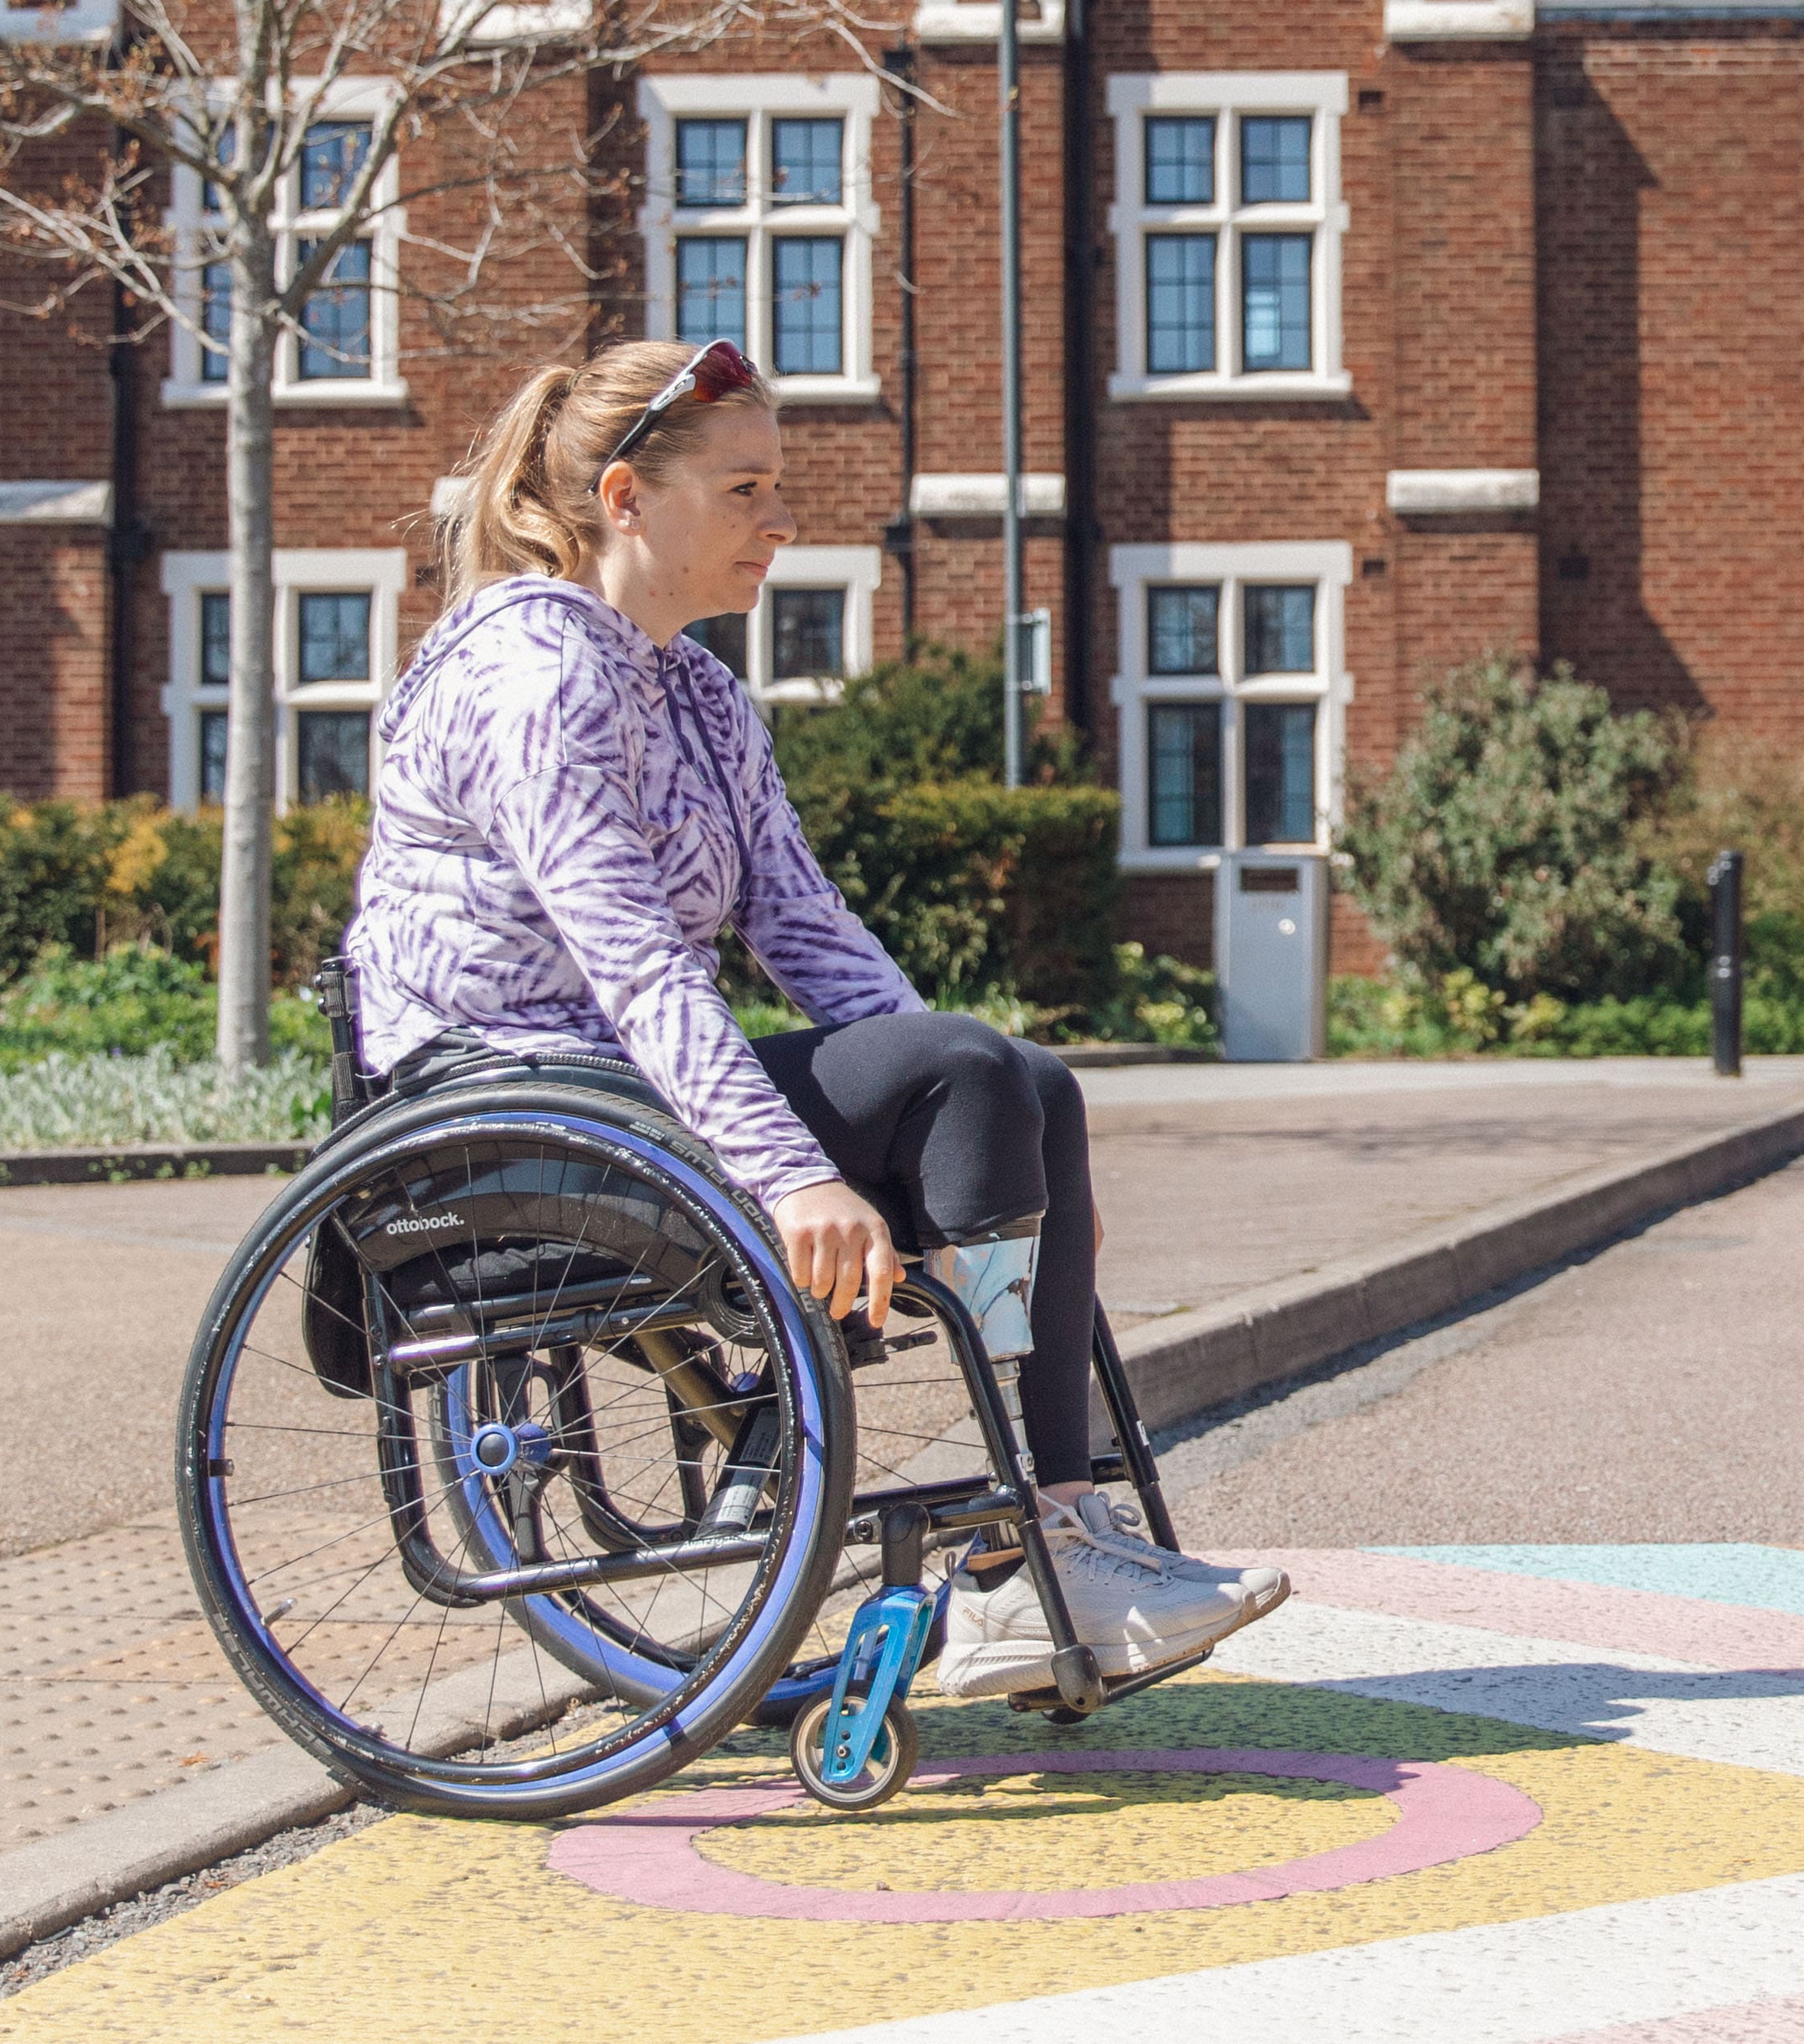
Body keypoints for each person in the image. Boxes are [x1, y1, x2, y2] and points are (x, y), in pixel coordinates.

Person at [342, 337, 1286, 1699]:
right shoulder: (530, 675)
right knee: (966, 1075)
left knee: (1023, 1078)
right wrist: (798, 1170)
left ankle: (1059, 1539)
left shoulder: (698, 692)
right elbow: (635, 967)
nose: (783, 519)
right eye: (746, 489)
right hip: (510, 1111)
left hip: (626, 1088)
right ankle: (1019, 1564)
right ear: (625, 496)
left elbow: (807, 931)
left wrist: (986, 1137)